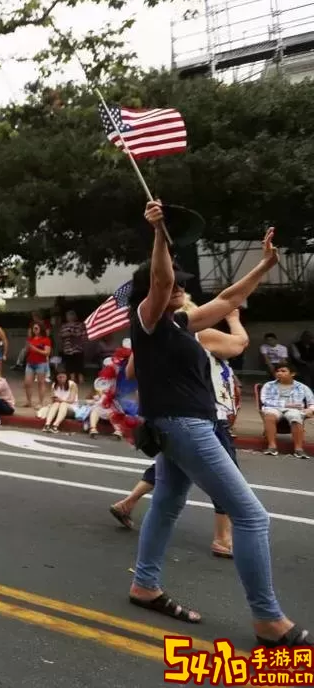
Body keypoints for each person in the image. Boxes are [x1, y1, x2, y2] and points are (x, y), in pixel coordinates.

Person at [125, 199, 306, 647]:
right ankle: (268, 619)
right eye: (177, 287)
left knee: (166, 503)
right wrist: (159, 232)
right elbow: (163, 277)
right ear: (155, 293)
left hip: (182, 427)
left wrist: (264, 265)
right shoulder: (147, 321)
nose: (183, 290)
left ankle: (144, 585)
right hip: (185, 427)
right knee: (251, 517)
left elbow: (228, 300)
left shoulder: (180, 324)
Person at [109, 300, 250, 558]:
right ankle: (223, 537)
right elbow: (239, 344)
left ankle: (128, 505)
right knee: (231, 484)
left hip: (170, 418)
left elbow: (131, 372)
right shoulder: (195, 333)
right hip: (203, 416)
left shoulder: (153, 337)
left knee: (170, 480)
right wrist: (232, 318)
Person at [259, 362, 313, 458]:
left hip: (294, 410)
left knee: (296, 417)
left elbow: (312, 402)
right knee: (269, 416)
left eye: (283, 371)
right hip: (274, 408)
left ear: (292, 374)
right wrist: (287, 404)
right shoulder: (269, 385)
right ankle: (272, 446)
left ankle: (298, 449)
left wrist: (310, 409)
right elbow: (265, 401)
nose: (279, 373)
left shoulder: (302, 387)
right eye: (277, 371)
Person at [24, 323, 52, 408]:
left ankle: (41, 402)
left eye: (36, 328)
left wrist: (35, 349)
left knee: (41, 383)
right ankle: (29, 402)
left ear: (41, 329)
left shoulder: (46, 339)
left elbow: (47, 352)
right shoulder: (30, 339)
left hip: (41, 363)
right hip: (30, 362)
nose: (34, 330)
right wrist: (27, 348)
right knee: (27, 383)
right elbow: (27, 350)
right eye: (33, 328)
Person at [59, 310, 88, 388]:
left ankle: (81, 382)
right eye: (68, 316)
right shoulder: (64, 326)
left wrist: (73, 334)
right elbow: (61, 335)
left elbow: (84, 336)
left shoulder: (80, 325)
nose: (69, 317)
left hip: (78, 349)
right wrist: (67, 334)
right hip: (67, 349)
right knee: (70, 366)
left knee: (79, 366)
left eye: (71, 315)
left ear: (74, 316)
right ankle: (72, 381)